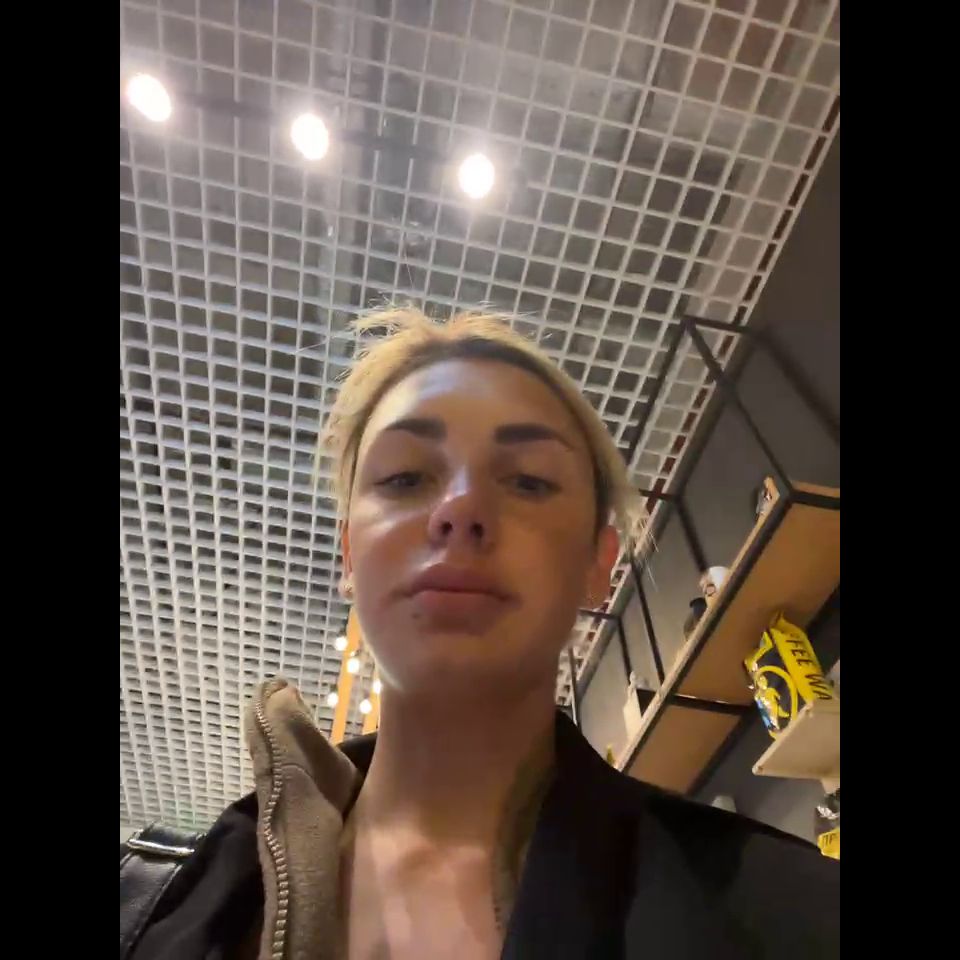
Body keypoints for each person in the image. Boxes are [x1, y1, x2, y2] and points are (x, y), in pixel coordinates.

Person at [121, 307, 839, 959]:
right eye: (406, 477)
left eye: (528, 481)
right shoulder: (148, 911)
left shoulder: (797, 919)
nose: (460, 508)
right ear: (350, 555)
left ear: (598, 564)